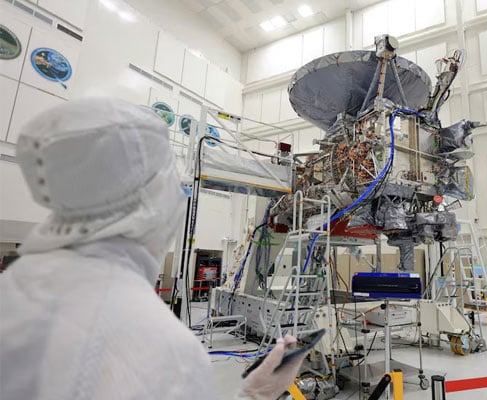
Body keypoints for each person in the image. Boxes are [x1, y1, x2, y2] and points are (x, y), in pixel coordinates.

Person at [0, 98, 306, 400]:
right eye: (169, 182)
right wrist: (254, 396)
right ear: (152, 199)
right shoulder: (166, 349)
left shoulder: (13, 288)